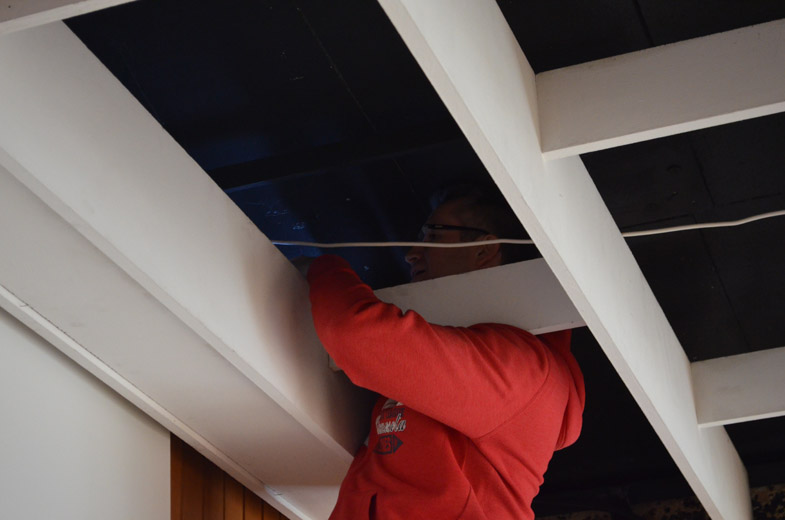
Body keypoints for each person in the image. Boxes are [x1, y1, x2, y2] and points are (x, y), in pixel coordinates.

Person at [303, 185, 585, 519]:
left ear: (484, 250)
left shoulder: (524, 369)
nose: (412, 254)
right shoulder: (492, 364)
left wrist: (321, 268)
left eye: (433, 236)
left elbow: (354, 331)